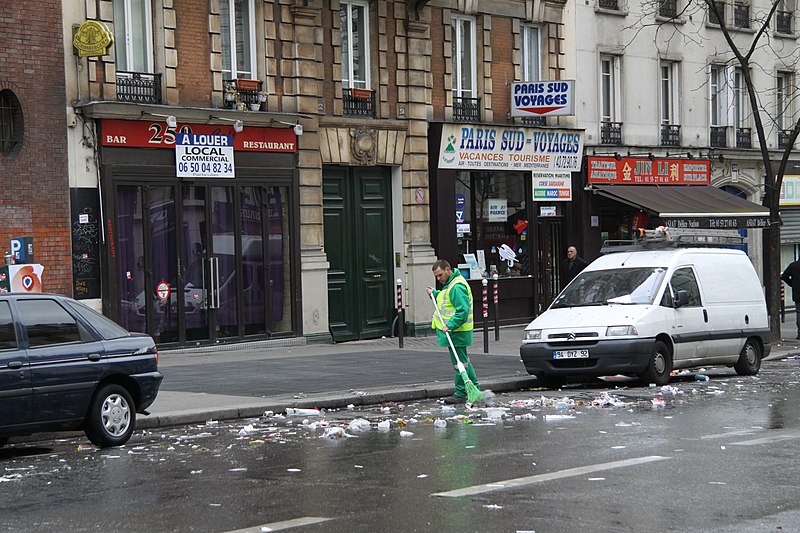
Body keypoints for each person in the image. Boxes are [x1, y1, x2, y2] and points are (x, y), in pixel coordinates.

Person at [426, 259, 479, 404]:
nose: (438, 278)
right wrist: (434, 294)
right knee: (464, 362)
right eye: (436, 276)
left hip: (457, 331)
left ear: (448, 270)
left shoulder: (456, 286)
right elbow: (446, 300)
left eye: (440, 275)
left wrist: (450, 325)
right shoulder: (452, 284)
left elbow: (462, 310)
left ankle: (461, 392)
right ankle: (473, 388)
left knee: (459, 364)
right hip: (458, 331)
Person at [781, 259, 800, 339]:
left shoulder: (793, 265)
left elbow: (784, 276)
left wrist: (792, 283)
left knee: (799, 313)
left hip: (797, 293)